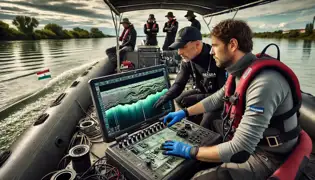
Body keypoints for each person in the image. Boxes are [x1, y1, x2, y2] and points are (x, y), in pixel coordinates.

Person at [160, 19, 302, 180]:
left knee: (198, 177)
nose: (211, 52)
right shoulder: (239, 73)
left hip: (267, 155)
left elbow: (240, 149)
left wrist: (190, 151)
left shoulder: (264, 83)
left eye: (214, 46)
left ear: (232, 45)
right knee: (210, 123)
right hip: (254, 142)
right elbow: (216, 99)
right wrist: (184, 113)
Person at [153, 26, 226, 128]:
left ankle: (200, 138)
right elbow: (179, 83)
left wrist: (197, 98)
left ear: (197, 44)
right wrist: (166, 96)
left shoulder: (216, 58)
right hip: (201, 92)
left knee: (208, 119)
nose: (179, 52)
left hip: (219, 100)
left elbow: (224, 96)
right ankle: (188, 124)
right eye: (178, 48)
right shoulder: (187, 59)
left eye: (182, 47)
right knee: (178, 100)